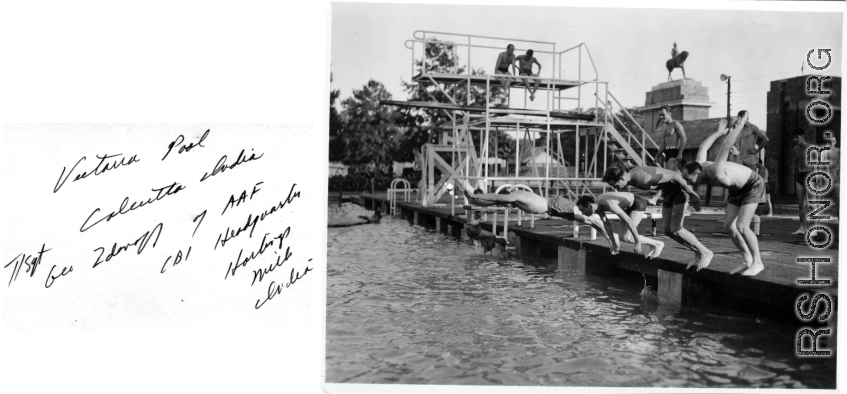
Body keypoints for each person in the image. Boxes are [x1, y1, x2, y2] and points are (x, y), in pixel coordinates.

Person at [682, 111, 765, 276]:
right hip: (737, 189)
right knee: (729, 226)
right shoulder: (699, 165)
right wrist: (718, 132)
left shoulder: (716, 171)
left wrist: (740, 125)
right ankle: (747, 259)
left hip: (753, 184)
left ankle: (758, 262)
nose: (688, 183)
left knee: (742, 226)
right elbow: (703, 147)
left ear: (698, 174)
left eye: (689, 180)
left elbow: (726, 145)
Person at [603, 164, 710, 270]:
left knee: (677, 229)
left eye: (616, 185)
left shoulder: (642, 177)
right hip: (668, 192)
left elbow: (676, 176)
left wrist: (691, 193)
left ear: (621, 178)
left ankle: (706, 252)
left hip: (680, 191)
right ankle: (697, 253)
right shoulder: (630, 176)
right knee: (667, 231)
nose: (615, 188)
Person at [461, 188, 624, 254]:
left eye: (507, 202)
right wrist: (476, 203)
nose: (508, 206)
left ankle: (612, 239)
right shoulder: (515, 200)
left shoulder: (515, 195)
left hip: (556, 205)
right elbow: (494, 203)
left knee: (590, 220)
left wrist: (473, 197)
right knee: (589, 221)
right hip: (554, 208)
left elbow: (496, 197)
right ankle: (612, 238)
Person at [576, 192, 665, 259]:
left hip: (637, 204)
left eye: (583, 210)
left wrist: (637, 242)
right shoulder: (597, 206)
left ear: (589, 206)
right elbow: (606, 224)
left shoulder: (608, 203)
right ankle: (652, 244)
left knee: (628, 237)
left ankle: (658, 244)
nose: (583, 214)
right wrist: (613, 243)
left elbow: (629, 221)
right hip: (626, 207)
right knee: (623, 237)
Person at [792, 128, 813, 235]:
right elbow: (797, 164)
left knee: (811, 204)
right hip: (800, 176)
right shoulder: (795, 149)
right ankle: (801, 227)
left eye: (797, 137)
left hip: (810, 175)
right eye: (793, 137)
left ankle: (811, 228)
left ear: (802, 137)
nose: (795, 139)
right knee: (801, 205)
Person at [654, 105, 687, 170]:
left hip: (674, 151)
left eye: (663, 115)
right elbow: (663, 144)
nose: (661, 117)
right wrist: (657, 156)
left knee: (668, 173)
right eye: (660, 115)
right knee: (673, 174)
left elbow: (684, 138)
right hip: (667, 152)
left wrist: (680, 153)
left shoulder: (675, 124)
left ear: (669, 114)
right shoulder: (665, 126)